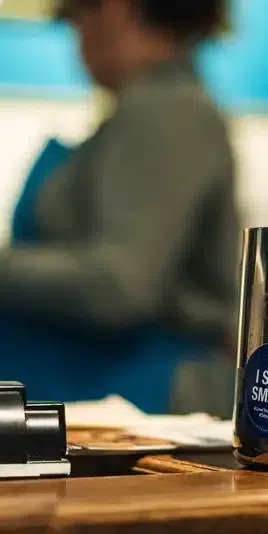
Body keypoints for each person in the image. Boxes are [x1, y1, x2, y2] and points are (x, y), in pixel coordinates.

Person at [0, 0, 240, 414]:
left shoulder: (167, 111)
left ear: (117, 10)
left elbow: (121, 286)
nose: (78, 41)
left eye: (79, 20)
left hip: (136, 390)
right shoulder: (151, 109)